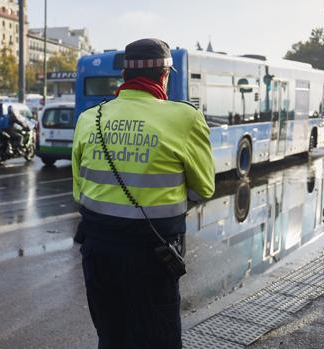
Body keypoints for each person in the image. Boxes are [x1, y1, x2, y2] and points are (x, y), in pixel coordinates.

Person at [72, 38, 215, 349]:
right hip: (154, 254)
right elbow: (204, 188)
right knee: (157, 339)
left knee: (111, 336)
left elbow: (79, 189)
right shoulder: (185, 118)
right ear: (165, 75)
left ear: (123, 77)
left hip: (97, 251)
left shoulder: (88, 119)